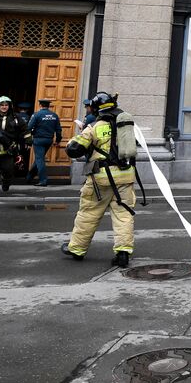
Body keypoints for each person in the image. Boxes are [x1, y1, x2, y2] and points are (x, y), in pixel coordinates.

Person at [61, 91, 137, 267]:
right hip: (125, 177)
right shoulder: (125, 125)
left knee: (88, 213)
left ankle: (77, 249)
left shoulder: (95, 126)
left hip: (101, 179)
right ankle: (123, 252)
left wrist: (73, 139)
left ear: (96, 109)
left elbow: (74, 149)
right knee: (123, 214)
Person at [27, 98, 62, 186]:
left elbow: (29, 127)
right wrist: (58, 140)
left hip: (38, 140)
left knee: (40, 159)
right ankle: (29, 177)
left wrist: (28, 138)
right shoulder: (54, 115)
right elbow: (58, 129)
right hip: (49, 140)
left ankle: (43, 180)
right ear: (48, 106)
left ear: (40, 105)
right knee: (39, 158)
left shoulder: (37, 115)